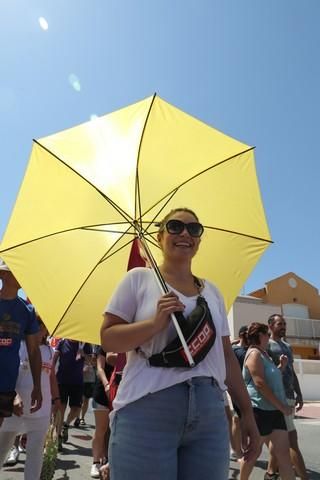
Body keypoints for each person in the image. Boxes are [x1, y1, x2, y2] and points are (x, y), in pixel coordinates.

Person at [100, 207, 259, 480]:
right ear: (160, 237)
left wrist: (247, 414)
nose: (185, 233)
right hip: (147, 408)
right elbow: (108, 338)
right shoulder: (138, 279)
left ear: (199, 239)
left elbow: (226, 357)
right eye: (175, 226)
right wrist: (154, 324)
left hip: (210, 412)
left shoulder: (212, 292)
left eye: (194, 229)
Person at [0, 316, 61, 479]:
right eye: (38, 324)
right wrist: (14, 397)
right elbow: (6, 373)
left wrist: (56, 400)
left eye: (44, 326)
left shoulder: (49, 351)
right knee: (2, 449)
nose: (41, 329)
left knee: (35, 455)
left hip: (41, 411)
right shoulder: (18, 347)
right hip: (15, 410)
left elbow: (51, 377)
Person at [240, 322, 295, 480]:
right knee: (253, 453)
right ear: (260, 336)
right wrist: (283, 407)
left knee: (283, 455)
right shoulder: (254, 354)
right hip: (260, 410)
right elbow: (260, 383)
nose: (269, 338)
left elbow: (270, 379)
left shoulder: (265, 354)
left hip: (274, 410)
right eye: (267, 335)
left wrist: (281, 367)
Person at [0, 260, 42, 428]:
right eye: (16, 271)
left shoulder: (27, 310)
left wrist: (37, 386)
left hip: (7, 383)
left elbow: (33, 350)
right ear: (3, 275)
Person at [266, 313, 309, 480]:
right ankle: (304, 476)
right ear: (270, 326)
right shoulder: (266, 345)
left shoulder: (287, 346)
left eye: (284, 324)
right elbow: (267, 373)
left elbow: (291, 372)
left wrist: (299, 393)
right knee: (292, 439)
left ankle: (270, 472)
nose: (283, 326)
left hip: (289, 395)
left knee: (278, 437)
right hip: (278, 397)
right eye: (279, 324)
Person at [52, 339, 91, 449]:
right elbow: (54, 359)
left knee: (76, 409)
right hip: (62, 381)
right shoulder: (62, 343)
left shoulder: (84, 344)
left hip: (77, 382)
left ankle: (66, 424)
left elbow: (92, 362)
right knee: (61, 409)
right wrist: (51, 373)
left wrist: (84, 354)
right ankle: (58, 437)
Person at [90, 347, 113, 478]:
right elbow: (99, 369)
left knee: (114, 430)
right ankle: (95, 462)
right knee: (101, 429)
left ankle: (109, 461)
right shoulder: (104, 345)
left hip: (122, 391)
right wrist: (106, 385)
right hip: (103, 393)